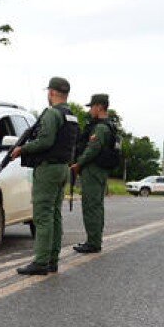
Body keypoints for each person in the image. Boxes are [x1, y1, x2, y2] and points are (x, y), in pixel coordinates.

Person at [11, 77, 79, 276]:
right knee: (54, 215)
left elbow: (45, 141)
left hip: (48, 169)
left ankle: (41, 261)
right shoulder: (71, 116)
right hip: (62, 168)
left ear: (51, 93)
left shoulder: (52, 114)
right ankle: (52, 260)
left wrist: (22, 149)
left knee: (42, 216)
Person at [70, 93, 117, 254]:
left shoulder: (101, 128)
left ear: (99, 107)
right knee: (96, 205)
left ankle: (93, 242)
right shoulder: (108, 125)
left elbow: (92, 149)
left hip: (93, 170)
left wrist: (78, 164)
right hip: (99, 171)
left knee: (91, 206)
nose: (90, 110)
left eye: (92, 107)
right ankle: (94, 240)